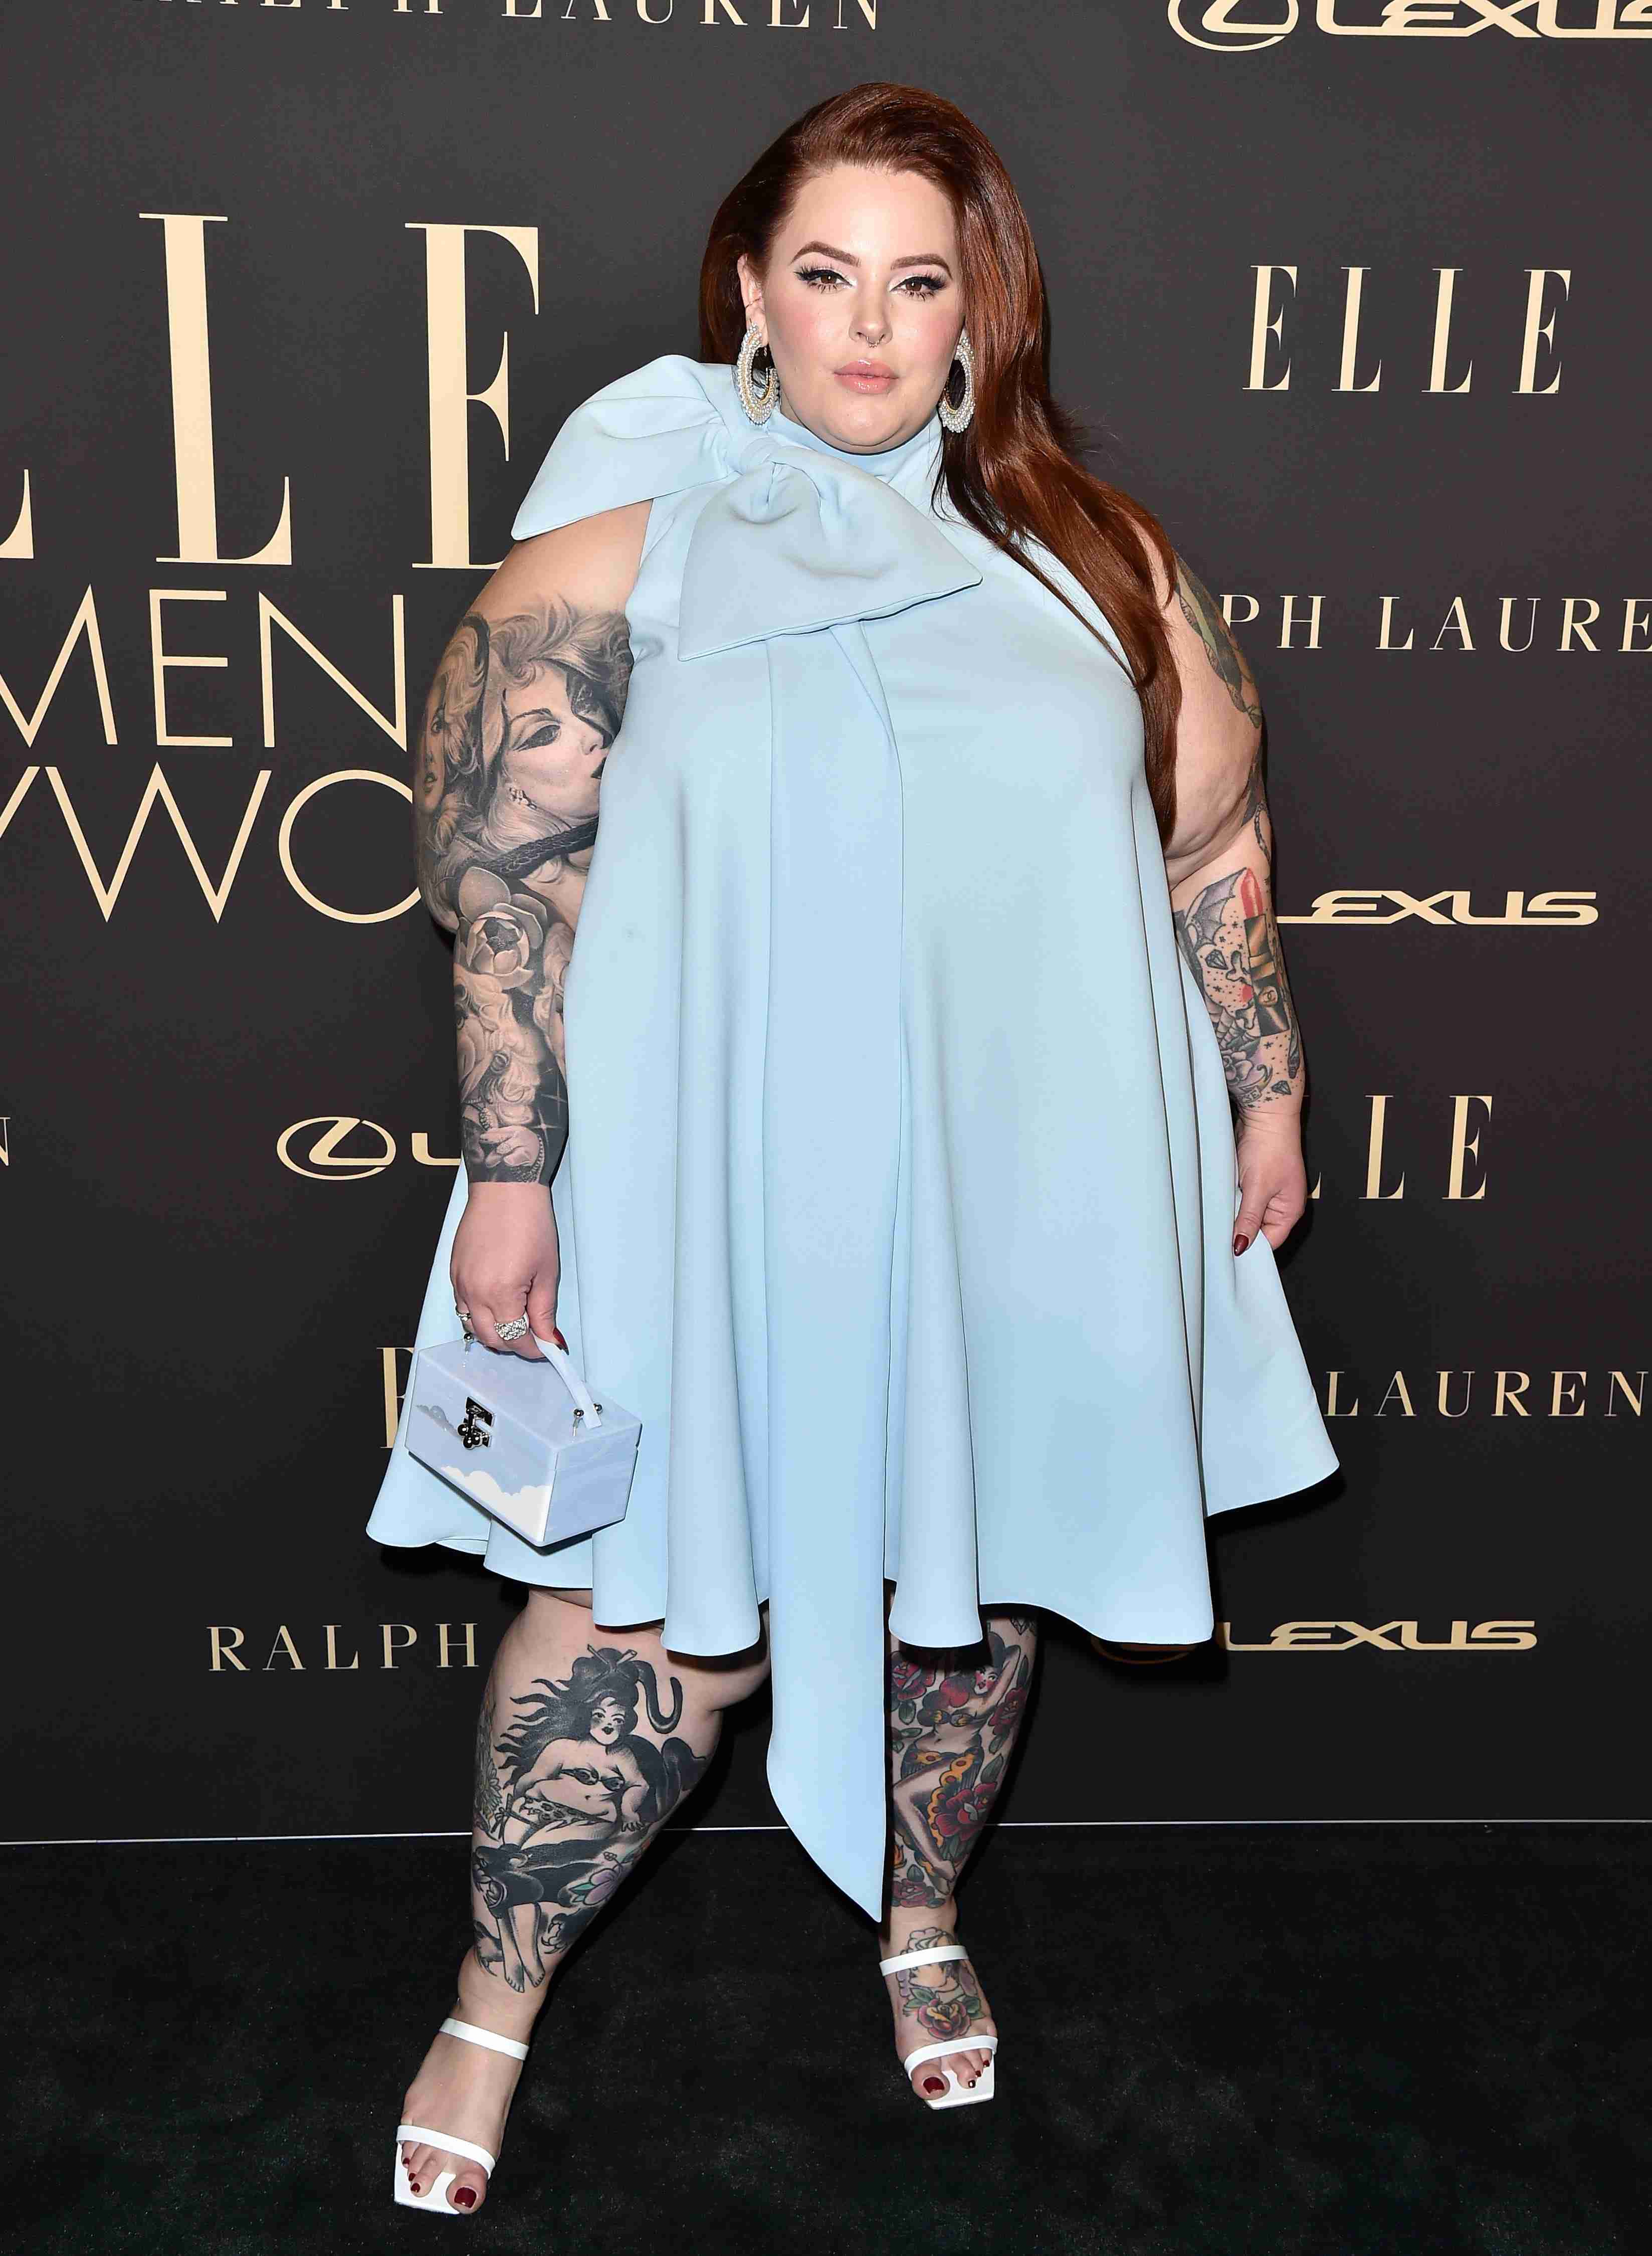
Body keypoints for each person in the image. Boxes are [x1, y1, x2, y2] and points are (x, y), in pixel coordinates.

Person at [366, 79, 1338, 2215]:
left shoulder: (1099, 560)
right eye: (827, 275)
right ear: (751, 290)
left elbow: (1212, 843)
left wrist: (1262, 1086)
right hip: (707, 1178)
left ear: (980, 308)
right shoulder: (613, 554)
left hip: (1025, 1172)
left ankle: (920, 1920)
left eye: (920, 281)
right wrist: (513, 1176)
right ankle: (492, 2000)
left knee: (967, 1586)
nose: (873, 327)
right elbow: (499, 884)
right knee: (640, 1621)